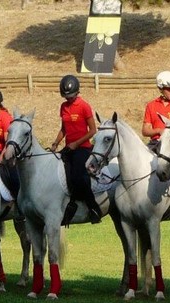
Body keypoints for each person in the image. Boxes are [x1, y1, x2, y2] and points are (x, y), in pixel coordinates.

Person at [50, 75, 101, 224]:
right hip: (68, 148)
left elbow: (92, 130)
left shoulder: (84, 106)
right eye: (66, 96)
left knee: (79, 177)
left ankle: (93, 208)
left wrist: (77, 144)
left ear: (77, 93)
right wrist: (55, 143)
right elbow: (64, 128)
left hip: (83, 148)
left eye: (71, 96)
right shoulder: (63, 107)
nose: (69, 99)